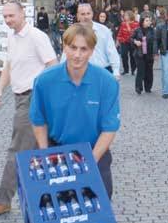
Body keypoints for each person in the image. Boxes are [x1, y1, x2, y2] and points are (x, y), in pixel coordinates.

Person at [30, 23, 120, 198]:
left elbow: (109, 128)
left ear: (92, 51)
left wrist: (90, 163)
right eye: (73, 48)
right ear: (64, 47)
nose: (77, 55)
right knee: (56, 209)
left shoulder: (107, 82)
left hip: (94, 151)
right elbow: (38, 120)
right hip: (55, 149)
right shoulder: (44, 81)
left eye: (84, 49)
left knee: (98, 207)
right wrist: (45, 154)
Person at [0, 1, 56, 215]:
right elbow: (9, 66)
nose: (7, 20)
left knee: (17, 149)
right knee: (36, 150)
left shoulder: (36, 37)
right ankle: (46, 196)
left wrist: (39, 90)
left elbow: (53, 66)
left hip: (33, 98)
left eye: (11, 16)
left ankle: (2, 200)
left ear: (23, 13)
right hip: (19, 97)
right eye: (4, 17)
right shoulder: (12, 37)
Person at [76, 2, 120, 79]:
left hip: (103, 71)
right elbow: (66, 54)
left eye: (88, 13)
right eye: (82, 14)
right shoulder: (73, 32)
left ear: (92, 14)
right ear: (78, 16)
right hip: (81, 73)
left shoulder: (104, 30)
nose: (86, 17)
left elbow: (111, 51)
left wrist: (116, 70)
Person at [131, 14, 155, 94]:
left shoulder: (152, 30)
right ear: (142, 22)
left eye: (149, 20)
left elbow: (155, 41)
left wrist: (155, 52)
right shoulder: (137, 30)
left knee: (149, 71)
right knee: (140, 70)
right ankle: (138, 87)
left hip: (149, 53)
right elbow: (131, 38)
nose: (149, 22)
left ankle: (148, 87)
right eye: (147, 20)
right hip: (139, 53)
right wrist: (135, 41)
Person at [117, 10, 139, 75]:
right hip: (124, 42)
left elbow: (135, 33)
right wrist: (119, 40)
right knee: (124, 55)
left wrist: (129, 27)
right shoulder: (123, 24)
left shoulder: (136, 23)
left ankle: (133, 70)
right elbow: (120, 33)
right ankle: (125, 70)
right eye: (124, 15)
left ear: (130, 16)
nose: (124, 16)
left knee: (133, 56)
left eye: (126, 15)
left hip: (133, 42)